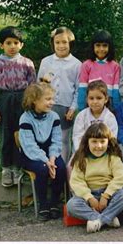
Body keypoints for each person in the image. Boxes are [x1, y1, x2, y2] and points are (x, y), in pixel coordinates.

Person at [0, 26, 36, 187]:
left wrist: (32, 104)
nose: (12, 46)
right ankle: (6, 169)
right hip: (5, 100)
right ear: (2, 45)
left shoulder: (27, 63)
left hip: (23, 100)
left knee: (22, 134)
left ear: (21, 45)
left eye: (16, 42)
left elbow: (33, 85)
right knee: (6, 134)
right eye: (8, 43)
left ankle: (19, 167)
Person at [67, 123, 123, 233]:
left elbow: (120, 178)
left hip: (109, 194)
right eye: (94, 142)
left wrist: (106, 195)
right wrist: (89, 198)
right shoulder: (81, 159)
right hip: (89, 195)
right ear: (87, 142)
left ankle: (99, 221)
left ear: (108, 142)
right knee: (71, 205)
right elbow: (77, 181)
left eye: (102, 142)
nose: (99, 146)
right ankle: (106, 218)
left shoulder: (113, 157)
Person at [18, 82, 66, 221]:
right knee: (42, 169)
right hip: (31, 155)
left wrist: (52, 159)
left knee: (60, 167)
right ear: (34, 100)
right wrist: (45, 161)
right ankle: (43, 204)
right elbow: (29, 146)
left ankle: (54, 202)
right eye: (48, 99)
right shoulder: (25, 118)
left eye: (52, 98)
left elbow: (57, 140)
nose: (52, 102)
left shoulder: (54, 117)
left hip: (50, 152)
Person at [37, 27, 82, 163]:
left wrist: (73, 108)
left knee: (63, 139)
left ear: (70, 44)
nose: (61, 46)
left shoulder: (77, 64)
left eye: (64, 42)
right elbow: (38, 85)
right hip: (47, 106)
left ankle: (62, 167)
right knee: (46, 138)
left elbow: (79, 89)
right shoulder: (46, 62)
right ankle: (48, 166)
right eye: (57, 42)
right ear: (53, 44)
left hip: (65, 107)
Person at [77, 30, 120, 111]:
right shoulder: (86, 65)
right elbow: (82, 88)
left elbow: (116, 90)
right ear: (93, 46)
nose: (101, 49)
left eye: (104, 45)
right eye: (98, 45)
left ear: (109, 47)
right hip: (91, 103)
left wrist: (116, 108)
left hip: (108, 105)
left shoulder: (115, 66)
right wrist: (81, 108)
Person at [72, 80, 118, 152]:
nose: (95, 102)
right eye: (91, 98)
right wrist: (82, 152)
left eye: (99, 98)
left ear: (106, 99)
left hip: (103, 152)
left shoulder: (110, 117)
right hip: (83, 152)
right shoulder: (81, 116)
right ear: (87, 99)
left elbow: (112, 139)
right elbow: (77, 137)